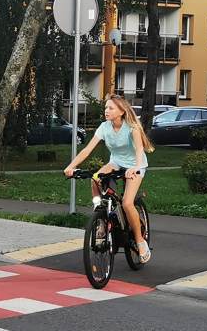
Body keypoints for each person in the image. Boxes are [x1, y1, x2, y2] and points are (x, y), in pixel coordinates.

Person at [64, 94, 154, 263]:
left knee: (127, 203)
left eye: (111, 108)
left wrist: (135, 168)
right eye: (106, 107)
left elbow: (139, 150)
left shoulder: (132, 127)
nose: (106, 110)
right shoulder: (104, 127)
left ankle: (140, 241)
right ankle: (100, 214)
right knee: (95, 178)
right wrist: (71, 166)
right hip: (116, 162)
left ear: (121, 111)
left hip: (135, 165)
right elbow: (87, 150)